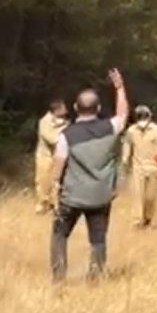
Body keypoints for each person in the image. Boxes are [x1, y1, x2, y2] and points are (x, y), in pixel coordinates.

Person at [49, 68, 129, 282]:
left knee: (59, 235)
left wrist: (53, 188)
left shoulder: (66, 136)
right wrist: (119, 88)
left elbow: (57, 168)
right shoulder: (110, 127)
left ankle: (59, 279)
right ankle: (95, 277)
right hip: (100, 196)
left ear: (75, 108)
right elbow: (123, 114)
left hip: (72, 197)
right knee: (98, 239)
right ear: (99, 108)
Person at [122, 104, 157, 228]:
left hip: (154, 168)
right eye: (139, 116)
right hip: (138, 168)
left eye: (144, 116)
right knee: (138, 195)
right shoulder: (131, 131)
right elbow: (127, 146)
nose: (142, 119)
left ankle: (148, 218)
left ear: (149, 117)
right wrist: (125, 159)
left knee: (150, 197)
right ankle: (137, 221)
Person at [33, 98, 70, 214]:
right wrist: (63, 131)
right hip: (45, 157)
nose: (66, 110)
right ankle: (42, 206)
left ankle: (56, 206)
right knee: (43, 182)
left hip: (58, 157)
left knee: (57, 183)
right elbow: (51, 138)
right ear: (56, 110)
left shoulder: (64, 122)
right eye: (63, 108)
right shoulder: (45, 121)